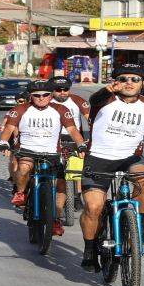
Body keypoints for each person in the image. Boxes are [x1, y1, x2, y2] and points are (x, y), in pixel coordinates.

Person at [79, 63, 144, 271]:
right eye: (123, 79)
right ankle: (90, 250)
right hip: (98, 158)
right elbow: (94, 100)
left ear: (143, 83)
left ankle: (141, 224)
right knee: (93, 207)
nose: (129, 83)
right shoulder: (105, 100)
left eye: (135, 79)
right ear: (116, 82)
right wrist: (106, 90)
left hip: (130, 157)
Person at [0, 80, 86, 236]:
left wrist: (81, 144)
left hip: (52, 153)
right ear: (30, 96)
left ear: (50, 95)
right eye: (36, 95)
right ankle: (20, 192)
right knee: (24, 168)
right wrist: (3, 142)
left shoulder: (61, 109)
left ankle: (56, 219)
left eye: (45, 95)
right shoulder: (20, 109)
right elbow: (9, 128)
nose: (41, 98)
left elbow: (72, 130)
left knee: (61, 185)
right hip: (27, 150)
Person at [49, 76, 91, 215]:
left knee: (77, 167)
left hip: (74, 137)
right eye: (58, 89)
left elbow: (90, 118)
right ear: (52, 90)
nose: (62, 92)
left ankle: (77, 196)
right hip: (53, 138)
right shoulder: (46, 101)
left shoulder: (77, 100)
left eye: (65, 89)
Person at [0, 91, 28, 190]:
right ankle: (14, 179)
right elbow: (6, 121)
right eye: (19, 101)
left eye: (24, 101)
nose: (21, 103)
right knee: (14, 160)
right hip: (14, 137)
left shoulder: (31, 110)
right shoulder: (13, 111)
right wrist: (2, 126)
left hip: (27, 137)